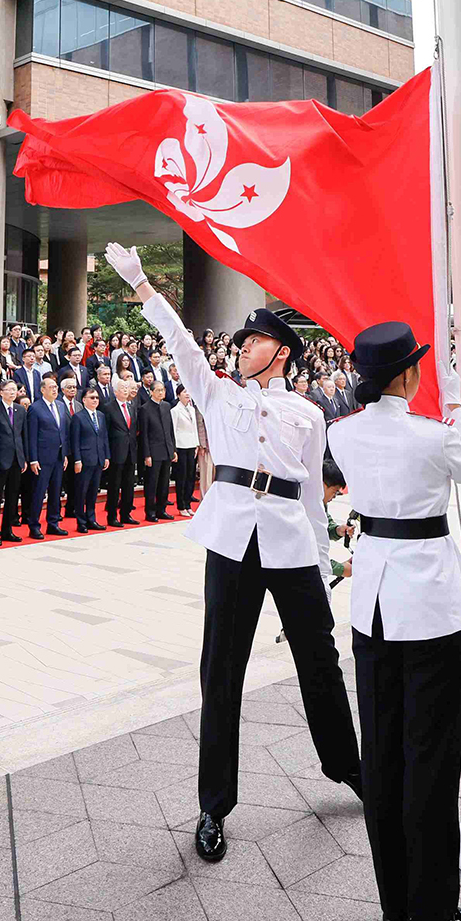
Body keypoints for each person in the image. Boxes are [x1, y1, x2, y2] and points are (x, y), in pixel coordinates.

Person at [105, 242, 360, 864]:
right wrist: (141, 286)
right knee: (221, 668)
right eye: (242, 342)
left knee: (320, 659)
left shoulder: (306, 411)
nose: (241, 348)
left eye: (253, 342)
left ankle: (349, 768)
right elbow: (180, 343)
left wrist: (325, 556)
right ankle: (214, 804)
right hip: (232, 538)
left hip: (291, 541)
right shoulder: (218, 394)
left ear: (282, 351)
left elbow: (306, 490)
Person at [327, 323, 461, 921]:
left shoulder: (341, 433)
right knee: (431, 758)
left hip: (372, 603)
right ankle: (435, 908)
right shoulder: (433, 437)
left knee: (384, 757)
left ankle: (397, 907)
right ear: (405, 375)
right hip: (429, 606)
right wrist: (457, 411)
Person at [24, 376, 71, 537]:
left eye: (56, 386)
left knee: (56, 491)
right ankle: (34, 525)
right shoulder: (35, 408)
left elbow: (63, 432)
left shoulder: (60, 406)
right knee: (38, 492)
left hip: (58, 456)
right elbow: (32, 435)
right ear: (42, 389)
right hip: (42, 457)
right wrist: (33, 459)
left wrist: (64, 454)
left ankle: (53, 523)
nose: (54, 389)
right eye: (51, 386)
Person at [0, 378, 27, 544]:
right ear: (0, 392)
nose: (12, 392)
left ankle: (7, 529)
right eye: (8, 389)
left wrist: (24, 458)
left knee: (12, 496)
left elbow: (23, 436)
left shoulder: (20, 410)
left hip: (16, 459)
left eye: (14, 389)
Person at [66, 384, 108, 532]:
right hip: (84, 459)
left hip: (98, 458)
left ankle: (92, 519)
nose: (95, 400)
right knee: (81, 492)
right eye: (92, 397)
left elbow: (104, 438)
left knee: (93, 492)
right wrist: (77, 460)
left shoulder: (101, 415)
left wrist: (106, 456)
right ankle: (81, 522)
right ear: (84, 400)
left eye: (96, 397)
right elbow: (75, 440)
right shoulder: (78, 417)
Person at [101, 379, 140, 526]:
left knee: (129, 485)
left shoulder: (131, 407)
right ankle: (112, 516)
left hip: (130, 451)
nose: (125, 390)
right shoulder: (108, 408)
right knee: (114, 486)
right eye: (122, 388)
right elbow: (106, 432)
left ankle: (126, 514)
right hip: (116, 452)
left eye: (127, 388)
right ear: (115, 391)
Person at [136, 381, 176, 521]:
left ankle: (161, 509)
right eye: (158, 390)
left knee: (164, 483)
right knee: (152, 483)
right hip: (153, 451)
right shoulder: (145, 409)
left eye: (162, 390)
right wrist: (147, 454)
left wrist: (173, 449)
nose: (161, 393)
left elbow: (170, 430)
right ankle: (150, 512)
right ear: (151, 392)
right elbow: (144, 434)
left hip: (166, 450)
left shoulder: (166, 406)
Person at [170, 387, 201, 515]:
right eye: (184, 392)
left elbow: (195, 428)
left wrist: (197, 444)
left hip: (191, 445)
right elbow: (173, 430)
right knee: (181, 477)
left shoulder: (192, 409)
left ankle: (188, 504)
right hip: (181, 446)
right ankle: (181, 505)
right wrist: (174, 449)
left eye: (189, 391)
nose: (188, 394)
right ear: (178, 395)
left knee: (190, 476)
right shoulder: (175, 411)